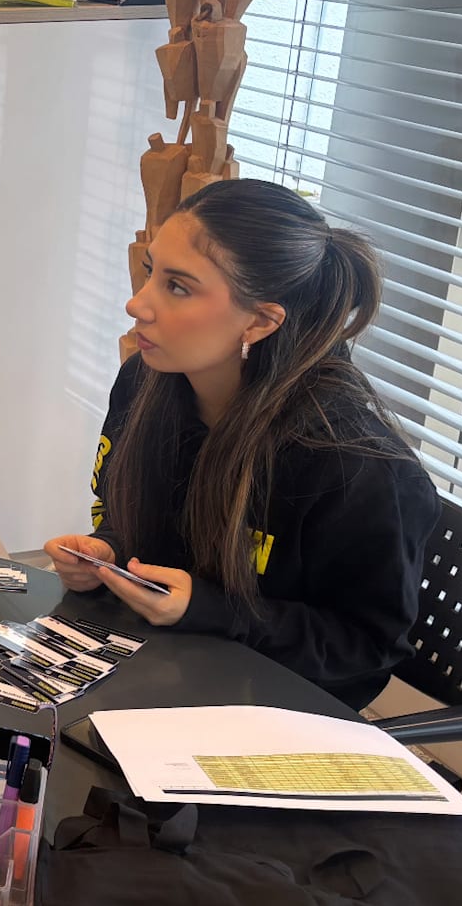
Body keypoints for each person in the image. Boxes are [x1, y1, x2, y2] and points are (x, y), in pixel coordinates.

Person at [44, 179, 436, 709]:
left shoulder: (356, 467)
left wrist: (212, 611)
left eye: (178, 287)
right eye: (149, 271)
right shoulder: (146, 383)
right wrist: (109, 549)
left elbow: (364, 649)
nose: (137, 303)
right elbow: (156, 529)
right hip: (163, 667)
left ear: (260, 320)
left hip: (276, 715)